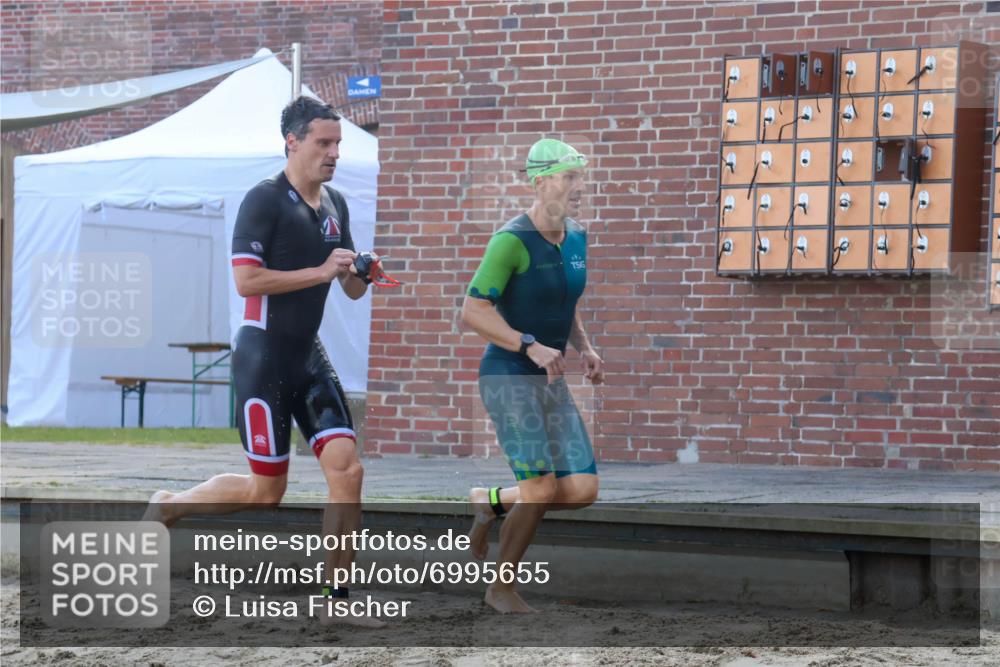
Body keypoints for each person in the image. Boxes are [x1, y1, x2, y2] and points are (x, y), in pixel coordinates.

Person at [144, 96, 382, 625]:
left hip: (308, 356)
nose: (334, 153)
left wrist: (358, 271)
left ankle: (335, 599)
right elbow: (247, 281)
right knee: (266, 491)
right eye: (324, 142)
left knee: (348, 471)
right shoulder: (263, 200)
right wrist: (321, 271)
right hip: (263, 357)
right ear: (292, 142)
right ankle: (169, 504)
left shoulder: (336, 205)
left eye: (338, 143)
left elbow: (347, 289)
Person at [461, 138, 604, 614]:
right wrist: (528, 344)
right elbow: (474, 311)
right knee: (541, 488)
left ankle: (491, 501)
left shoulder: (578, 236)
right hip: (508, 375)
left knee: (583, 489)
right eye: (570, 177)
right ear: (541, 181)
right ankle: (501, 588)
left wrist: (584, 346)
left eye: (581, 177)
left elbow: (565, 301)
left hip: (550, 377)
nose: (579, 187)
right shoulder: (511, 241)